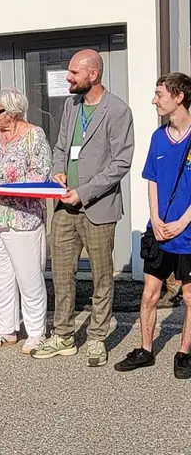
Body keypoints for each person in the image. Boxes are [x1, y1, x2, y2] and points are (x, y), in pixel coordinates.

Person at [33, 50, 134, 367]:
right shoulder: (71, 105)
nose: (68, 77)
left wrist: (84, 192)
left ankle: (97, 338)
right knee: (62, 276)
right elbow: (61, 146)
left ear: (93, 74)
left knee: (102, 278)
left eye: (74, 72)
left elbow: (121, 163)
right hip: (64, 208)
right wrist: (58, 171)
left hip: (98, 208)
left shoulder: (118, 110)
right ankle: (63, 336)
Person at [115, 73, 191, 378]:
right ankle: (145, 349)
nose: (154, 100)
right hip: (159, 230)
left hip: (188, 232)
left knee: (189, 297)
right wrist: (156, 219)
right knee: (149, 294)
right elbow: (153, 180)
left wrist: (182, 222)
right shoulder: (159, 137)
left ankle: (184, 352)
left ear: (179, 97)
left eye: (159, 95)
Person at [0, 88, 52, 354]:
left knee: (29, 278)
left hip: (21, 218)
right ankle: (6, 329)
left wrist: (5, 185)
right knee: (1, 278)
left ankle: (36, 332)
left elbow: (40, 174)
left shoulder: (34, 135)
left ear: (14, 112)